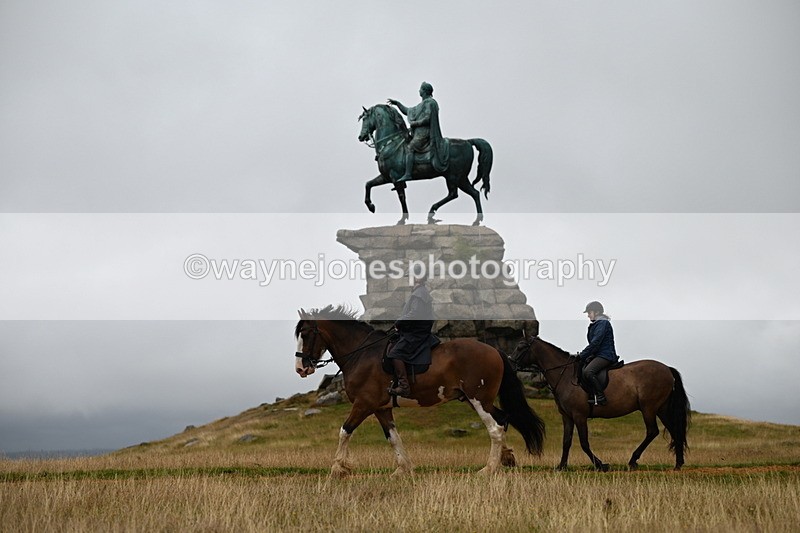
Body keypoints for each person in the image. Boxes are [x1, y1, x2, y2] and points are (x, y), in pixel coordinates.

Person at [387, 264, 438, 397]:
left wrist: (400, 322)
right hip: (413, 332)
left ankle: (404, 387)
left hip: (416, 334)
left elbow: (414, 314)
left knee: (395, 353)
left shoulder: (419, 293)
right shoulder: (418, 293)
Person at [387, 81, 449, 182]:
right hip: (418, 133)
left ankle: (408, 174)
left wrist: (416, 123)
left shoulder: (430, 103)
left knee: (410, 147)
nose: (419, 90)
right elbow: (408, 111)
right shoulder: (421, 104)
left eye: (420, 89)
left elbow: (428, 118)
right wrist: (397, 104)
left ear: (424, 91)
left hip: (425, 133)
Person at [578, 301, 618, 406]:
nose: (588, 315)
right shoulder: (596, 324)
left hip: (606, 355)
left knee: (588, 371)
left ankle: (600, 396)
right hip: (598, 354)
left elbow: (596, 342)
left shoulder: (603, 323)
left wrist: (582, 355)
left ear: (596, 312)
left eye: (589, 312)